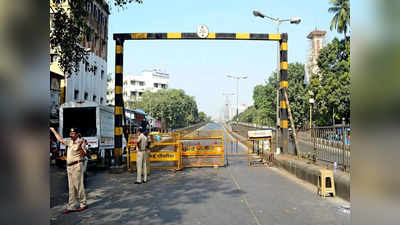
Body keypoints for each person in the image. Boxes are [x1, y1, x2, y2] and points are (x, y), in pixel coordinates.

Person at [50, 127, 87, 214]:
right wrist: (53, 130)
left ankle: (83, 203)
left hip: (77, 165)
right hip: (69, 167)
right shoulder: (70, 141)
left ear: (77, 134)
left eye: (73, 133)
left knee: (78, 186)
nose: (71, 135)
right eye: (70, 133)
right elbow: (61, 139)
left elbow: (84, 154)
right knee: (71, 187)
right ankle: (72, 206)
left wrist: (79, 146)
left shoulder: (81, 141)